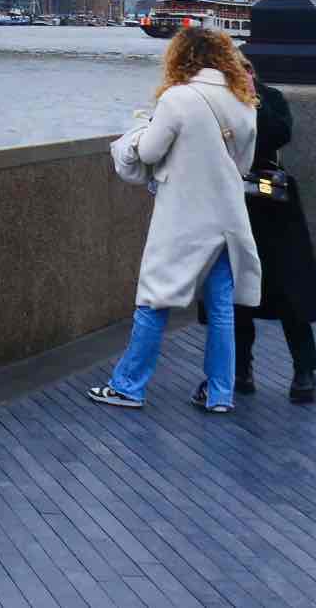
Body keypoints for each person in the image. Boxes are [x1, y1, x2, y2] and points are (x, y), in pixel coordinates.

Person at [91, 24, 261, 415]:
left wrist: (137, 130)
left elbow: (149, 153)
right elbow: (242, 165)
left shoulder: (178, 99)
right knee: (221, 307)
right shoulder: (243, 101)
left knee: (155, 298)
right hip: (228, 216)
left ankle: (128, 386)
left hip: (184, 215)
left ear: (182, 58)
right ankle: (220, 393)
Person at [235, 76, 316, 404]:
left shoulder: (269, 98)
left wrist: (253, 98)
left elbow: (279, 134)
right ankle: (240, 369)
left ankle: (304, 372)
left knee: (291, 292)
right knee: (237, 295)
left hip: (270, 196)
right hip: (234, 204)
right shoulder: (214, 101)